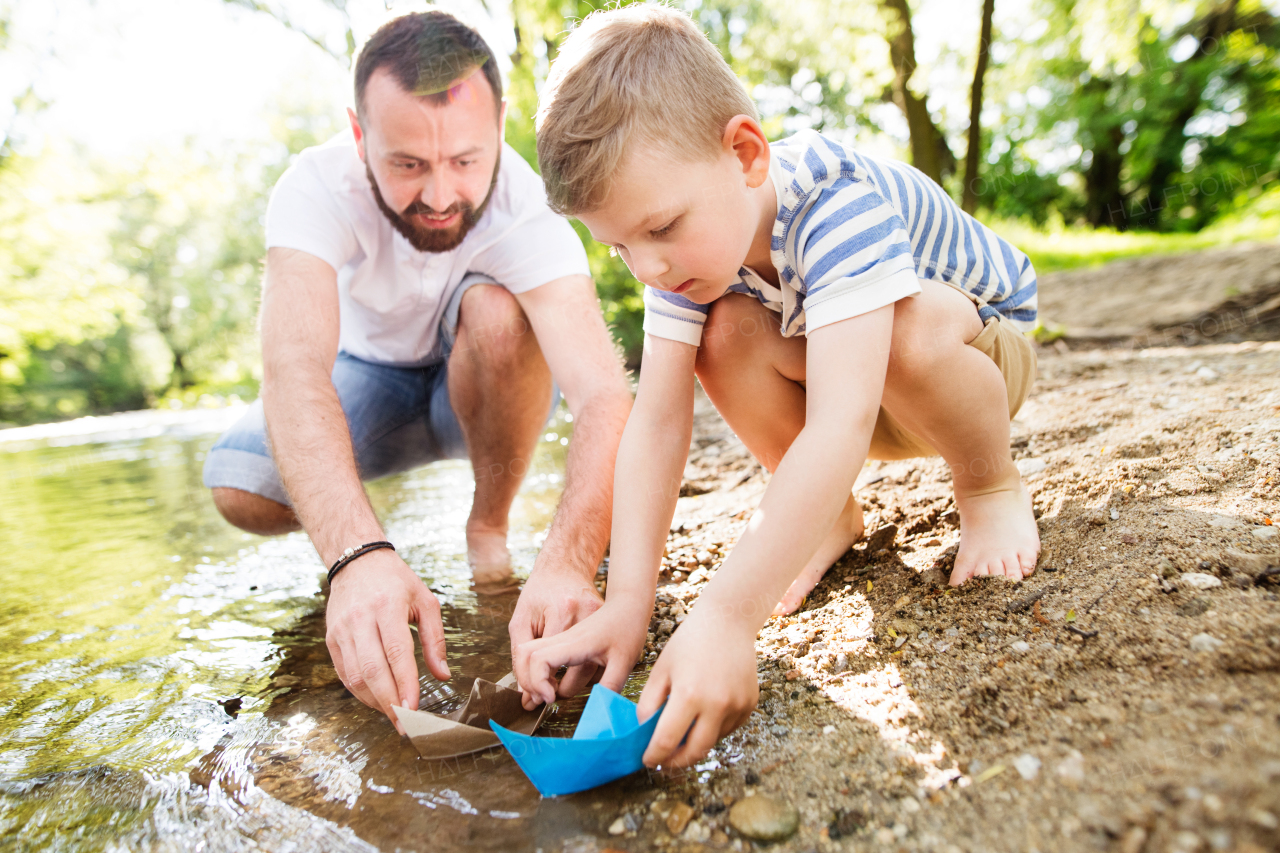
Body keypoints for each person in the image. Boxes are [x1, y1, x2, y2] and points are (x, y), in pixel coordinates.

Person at [513, 5, 1040, 769]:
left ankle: (989, 484)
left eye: (660, 228)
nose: (648, 268)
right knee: (719, 333)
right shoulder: (683, 262)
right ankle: (831, 515)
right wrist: (630, 600)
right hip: (854, 382)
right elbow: (658, 424)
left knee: (900, 329)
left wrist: (727, 618)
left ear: (745, 153)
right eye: (620, 246)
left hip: (972, 358)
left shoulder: (834, 201)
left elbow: (842, 421)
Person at [201, 10, 632, 734]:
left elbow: (603, 392)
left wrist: (566, 563)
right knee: (238, 489)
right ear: (359, 132)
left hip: (489, 378)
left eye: (466, 160)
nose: (439, 195)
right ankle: (369, 542)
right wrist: (356, 554)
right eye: (407, 164)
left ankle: (487, 526)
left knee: (496, 313)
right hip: (368, 377)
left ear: (498, 122)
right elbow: (294, 369)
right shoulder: (311, 187)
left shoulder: (528, 206)